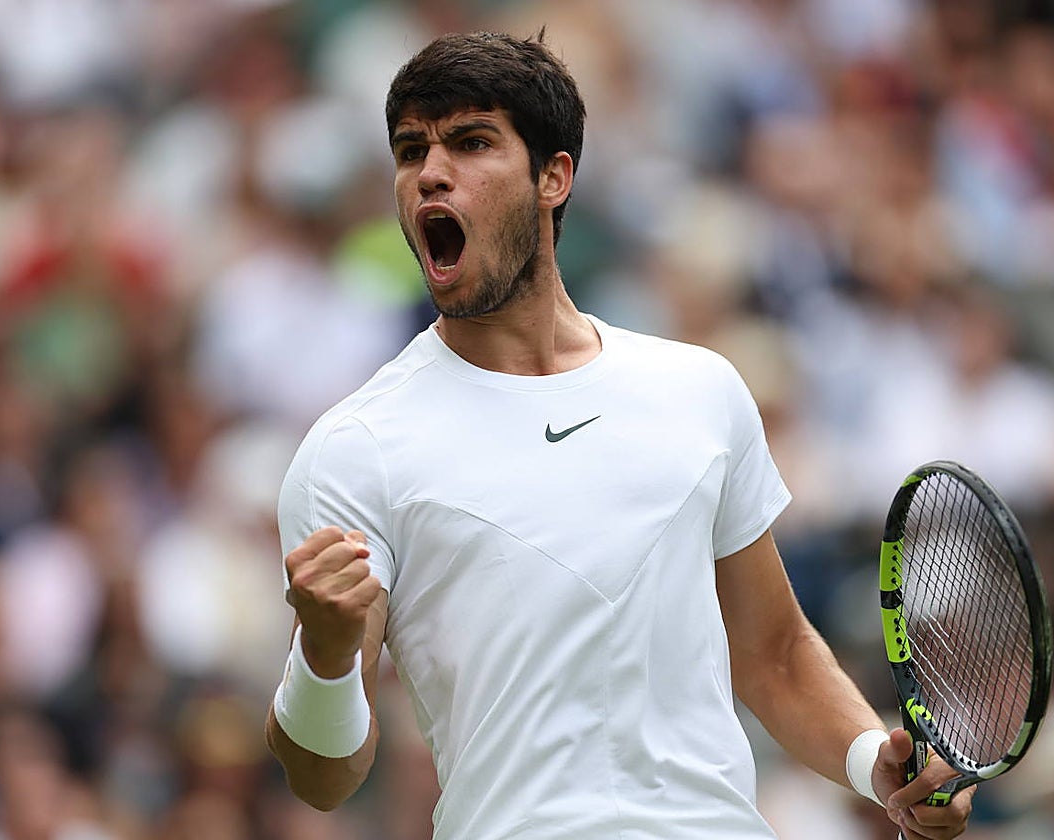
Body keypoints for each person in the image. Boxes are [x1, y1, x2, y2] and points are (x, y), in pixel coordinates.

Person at [265, 29, 975, 840]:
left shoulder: (698, 390)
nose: (431, 171)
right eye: (410, 149)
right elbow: (323, 777)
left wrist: (866, 760)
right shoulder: (354, 449)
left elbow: (774, 652)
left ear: (553, 177)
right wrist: (322, 655)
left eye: (470, 142)